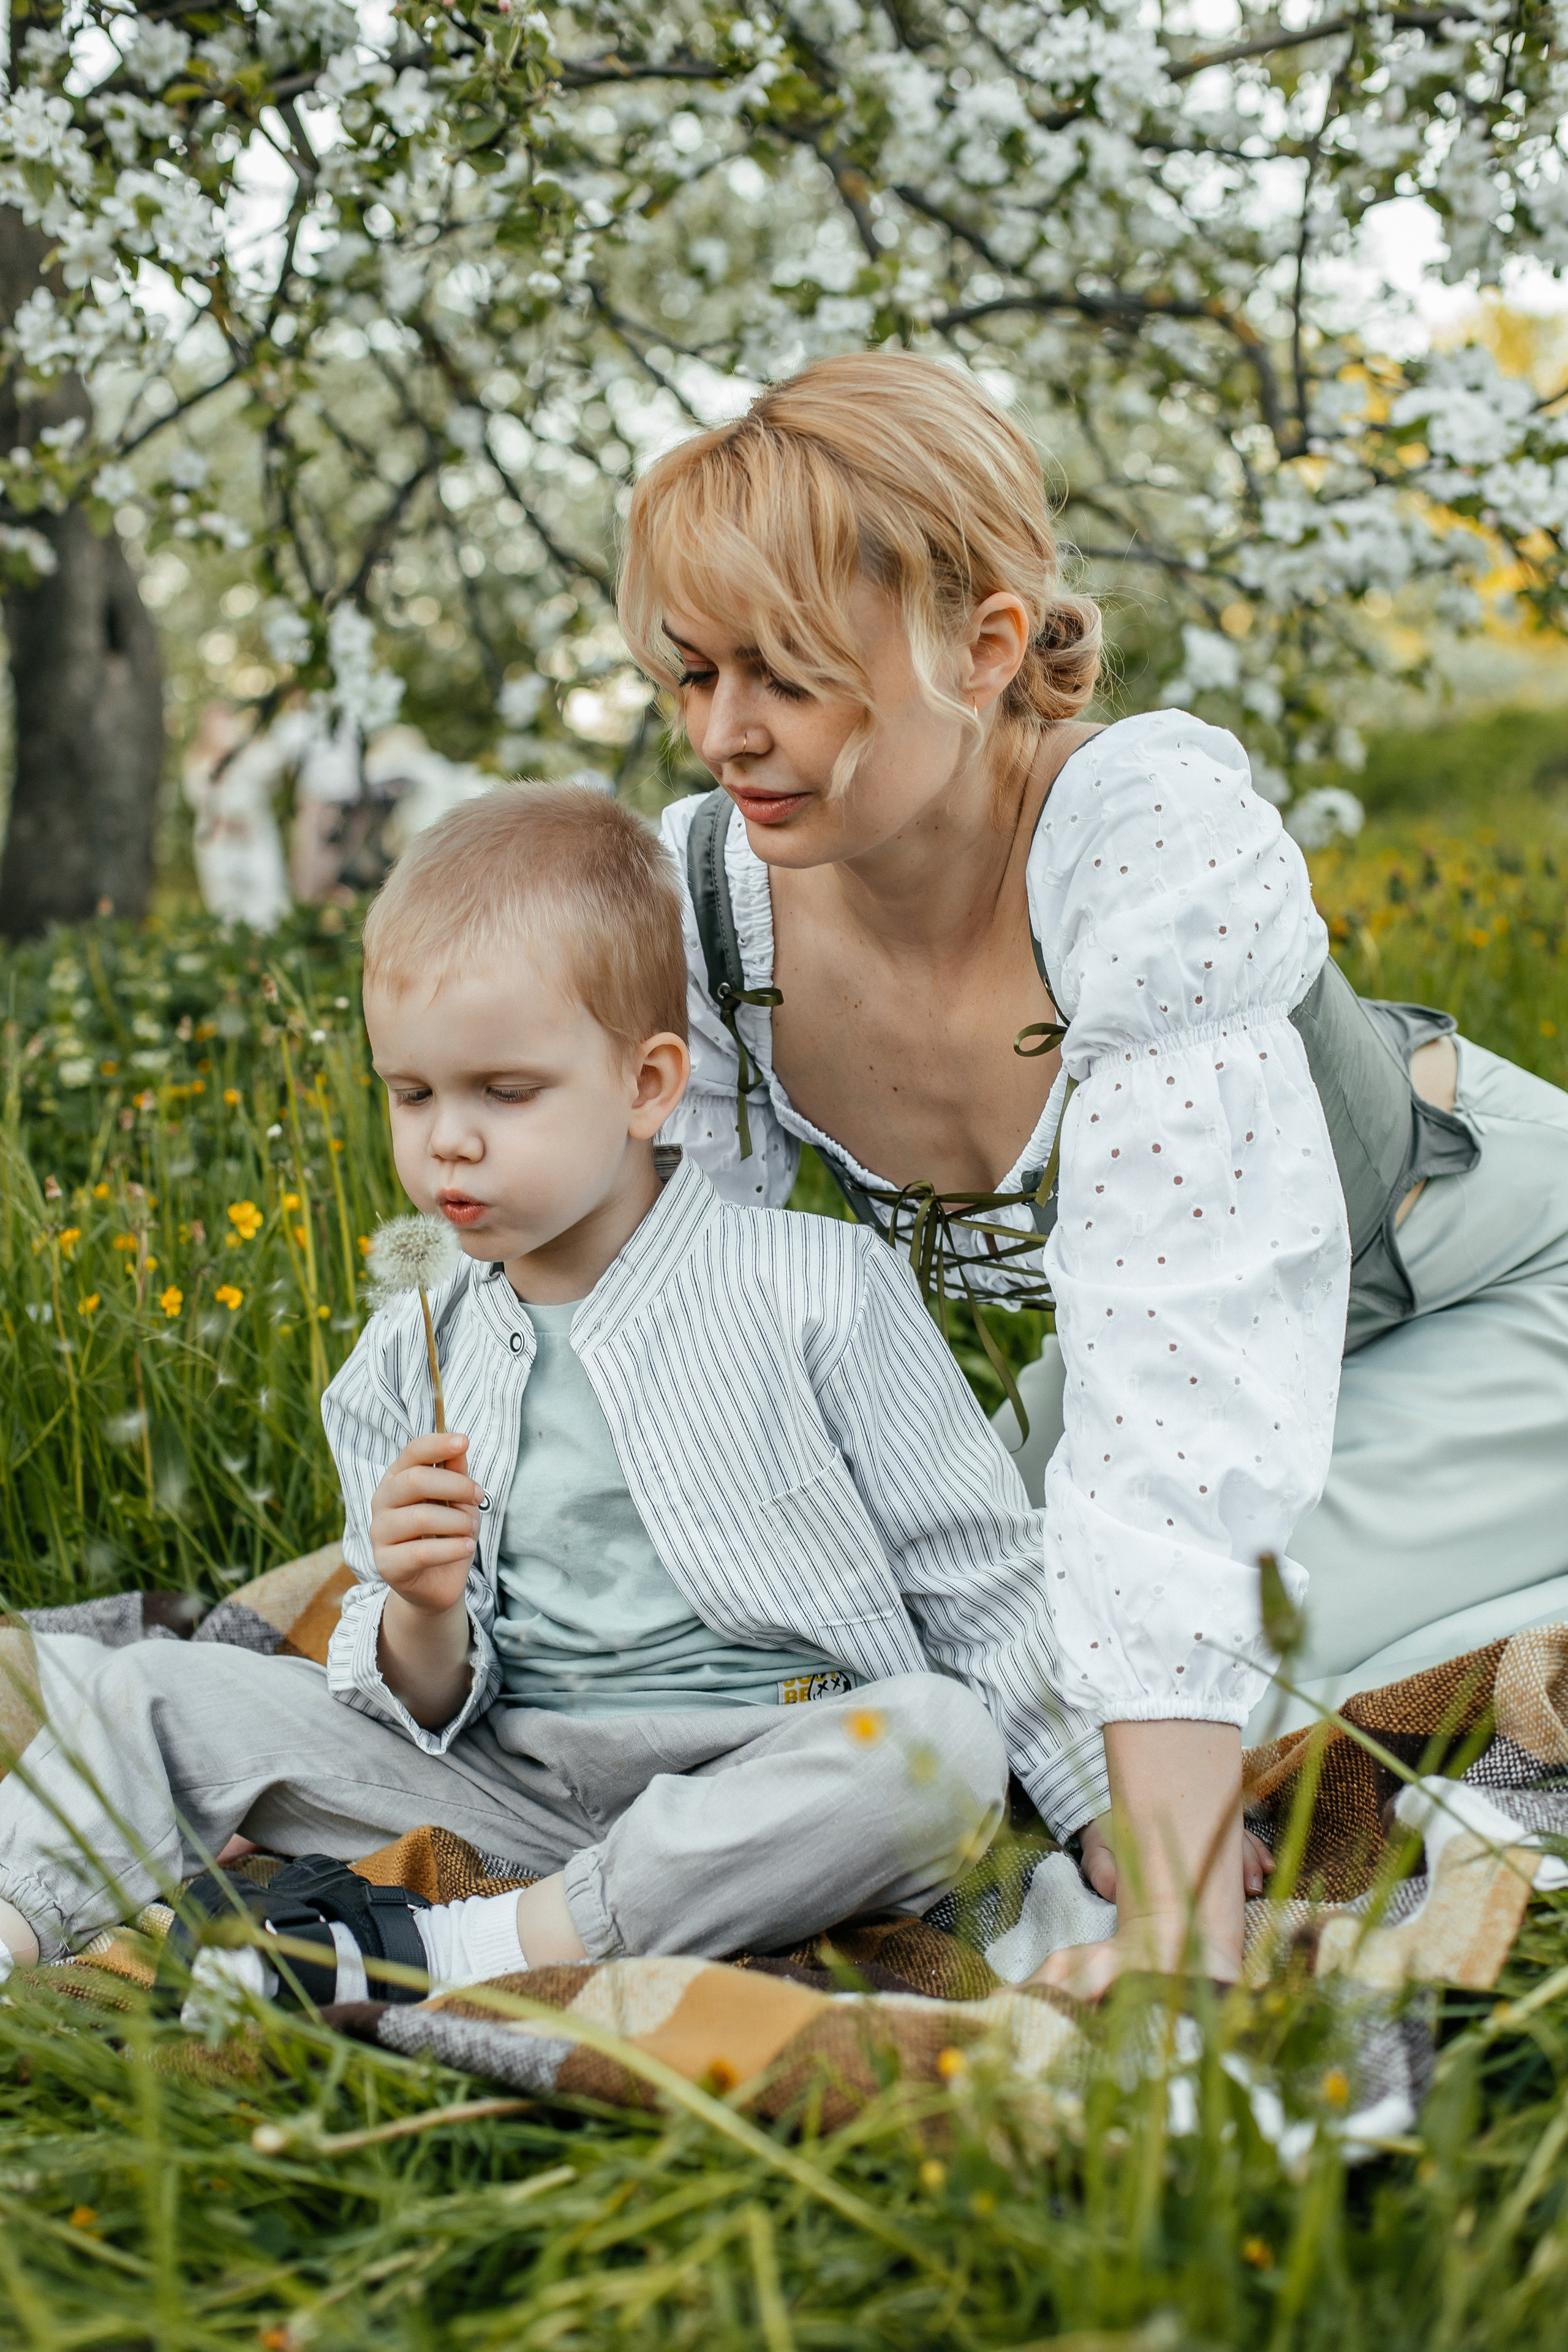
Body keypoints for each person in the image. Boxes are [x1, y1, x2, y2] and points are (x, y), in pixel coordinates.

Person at [618, 350, 1568, 1998]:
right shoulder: (712, 903)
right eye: (688, 675)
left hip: (1483, 1280)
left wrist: (1184, 1913)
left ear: (984, 647)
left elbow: (1177, 1398)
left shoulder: (1149, 845)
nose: (724, 734)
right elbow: (689, 1328)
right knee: (922, 1661)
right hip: (1168, 1356)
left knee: (1215, 1682)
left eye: (782, 673)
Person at [0, 783, 1088, 2000]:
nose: (446, 1142)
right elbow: (421, 1701)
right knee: (162, 1690)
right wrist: (417, 1608)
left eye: (502, 1092)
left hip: (766, 1769)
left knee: (939, 1747)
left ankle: (462, 1949)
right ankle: (19, 1917)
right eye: (411, 1094)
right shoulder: (409, 1356)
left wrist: (1101, 1809)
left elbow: (980, 1577)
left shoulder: (816, 1290)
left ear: (646, 1084)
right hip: (507, 1787)